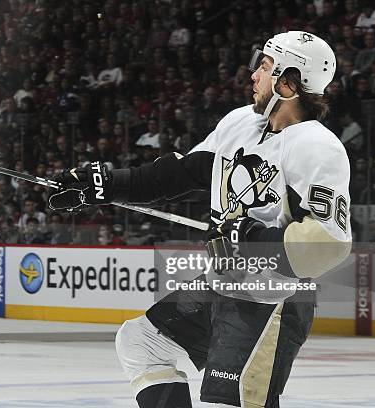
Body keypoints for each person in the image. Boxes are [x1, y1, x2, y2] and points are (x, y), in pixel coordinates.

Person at [48, 31, 352, 408]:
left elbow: (328, 244)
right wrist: (107, 185)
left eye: (266, 67)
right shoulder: (241, 123)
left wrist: (250, 238)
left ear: (289, 84)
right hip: (221, 286)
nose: (254, 74)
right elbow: (182, 175)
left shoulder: (317, 146)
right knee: (142, 342)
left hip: (273, 300)